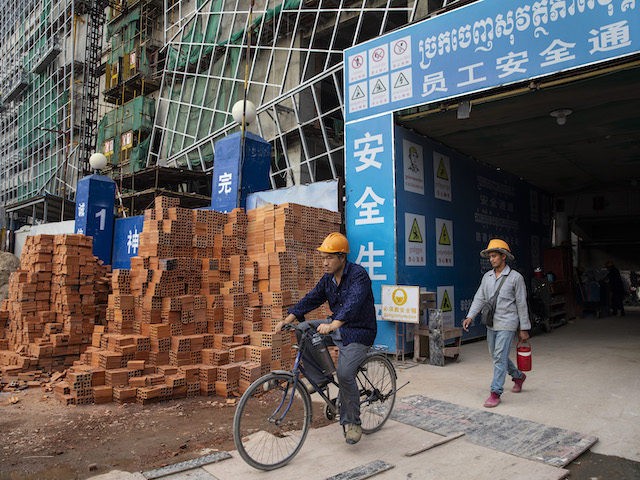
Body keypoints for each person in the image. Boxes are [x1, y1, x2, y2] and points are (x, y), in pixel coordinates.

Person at [274, 232, 377, 445]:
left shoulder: (358, 275)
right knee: (303, 329)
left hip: (359, 331)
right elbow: (311, 298)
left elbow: (353, 304)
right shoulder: (328, 279)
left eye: (329, 257)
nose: (325, 262)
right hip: (336, 327)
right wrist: (288, 319)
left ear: (342, 257)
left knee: (344, 373)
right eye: (323, 257)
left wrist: (333, 325)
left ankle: (353, 422)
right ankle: (319, 378)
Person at [462, 239, 531, 408]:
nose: (491, 259)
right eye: (490, 256)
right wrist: (470, 316)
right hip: (491, 323)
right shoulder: (487, 277)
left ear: (503, 257)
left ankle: (495, 392)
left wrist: (524, 328)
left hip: (508, 323)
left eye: (494, 256)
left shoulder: (516, 278)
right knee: (496, 356)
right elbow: (480, 297)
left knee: (499, 357)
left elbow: (522, 303)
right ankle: (518, 376)